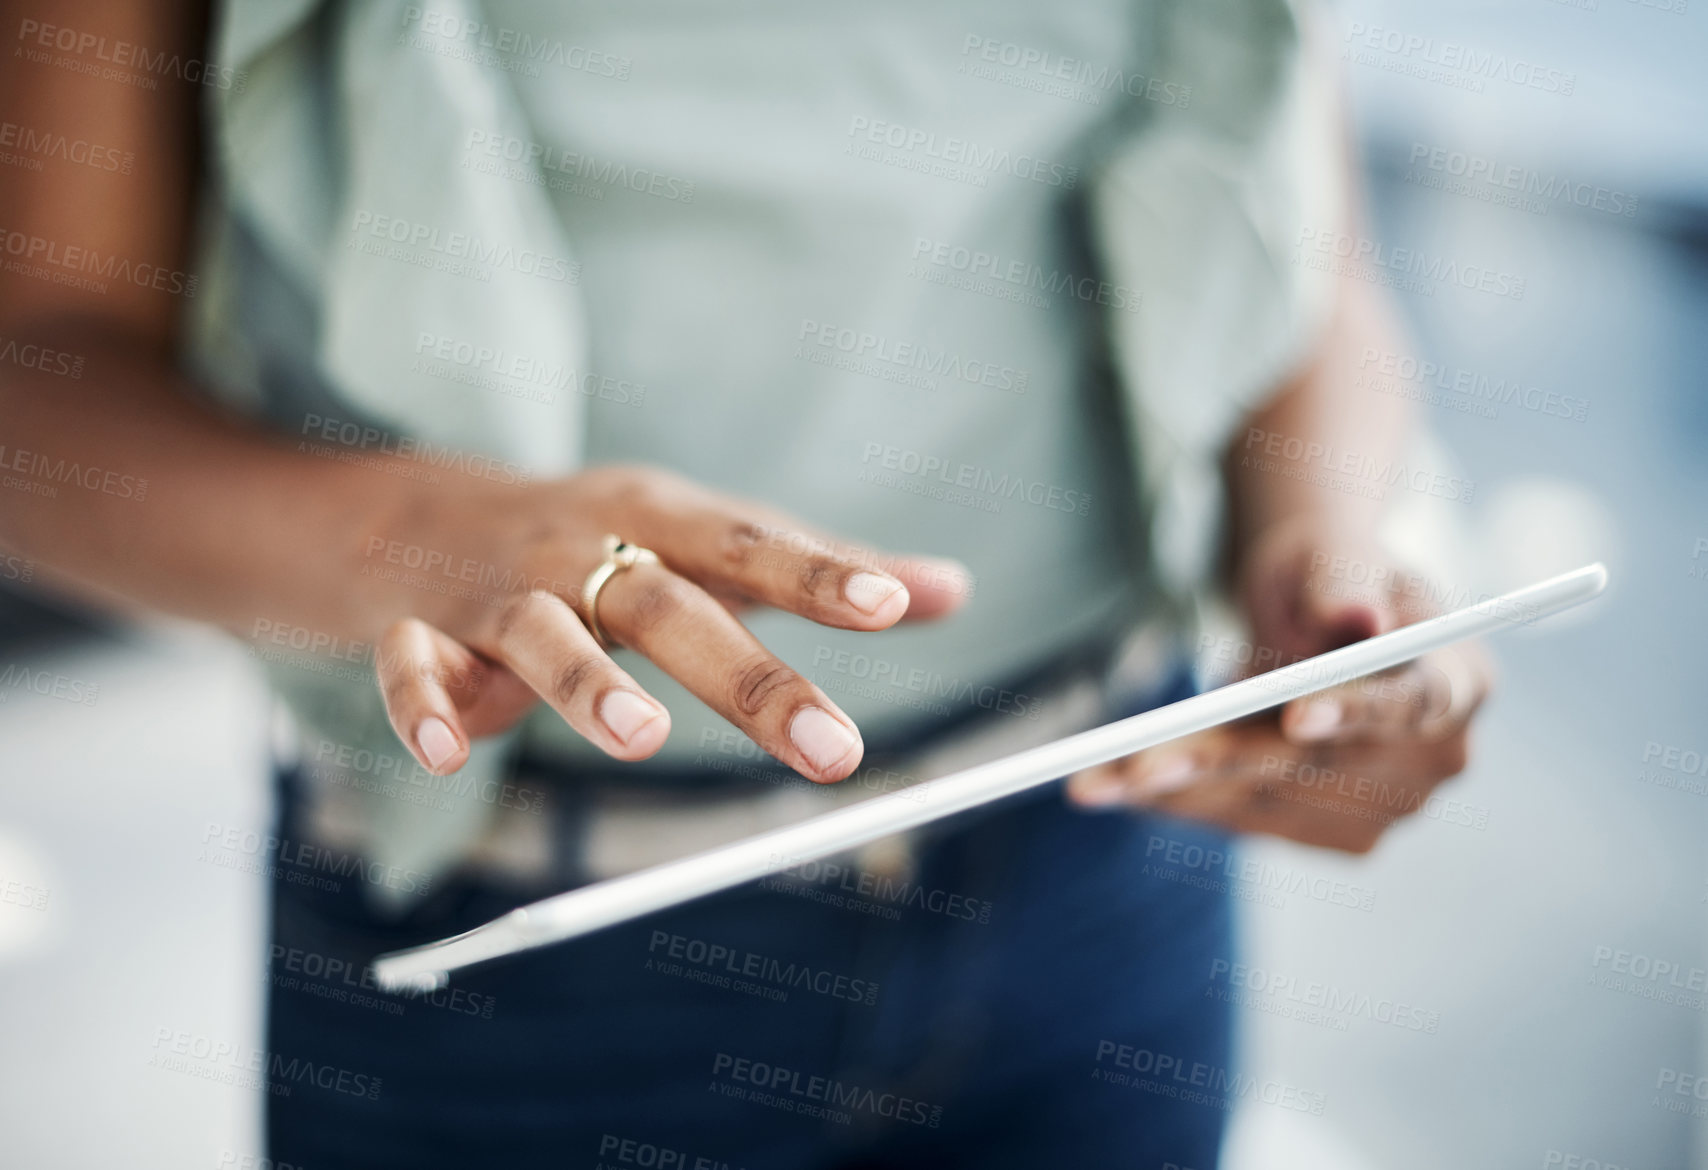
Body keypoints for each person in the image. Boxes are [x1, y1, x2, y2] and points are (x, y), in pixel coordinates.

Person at [0, 0, 1490, 1165]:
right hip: (526, 938)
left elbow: (1305, 246)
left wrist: (1334, 555)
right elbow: (35, 376)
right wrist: (422, 534)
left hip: (1106, 854)